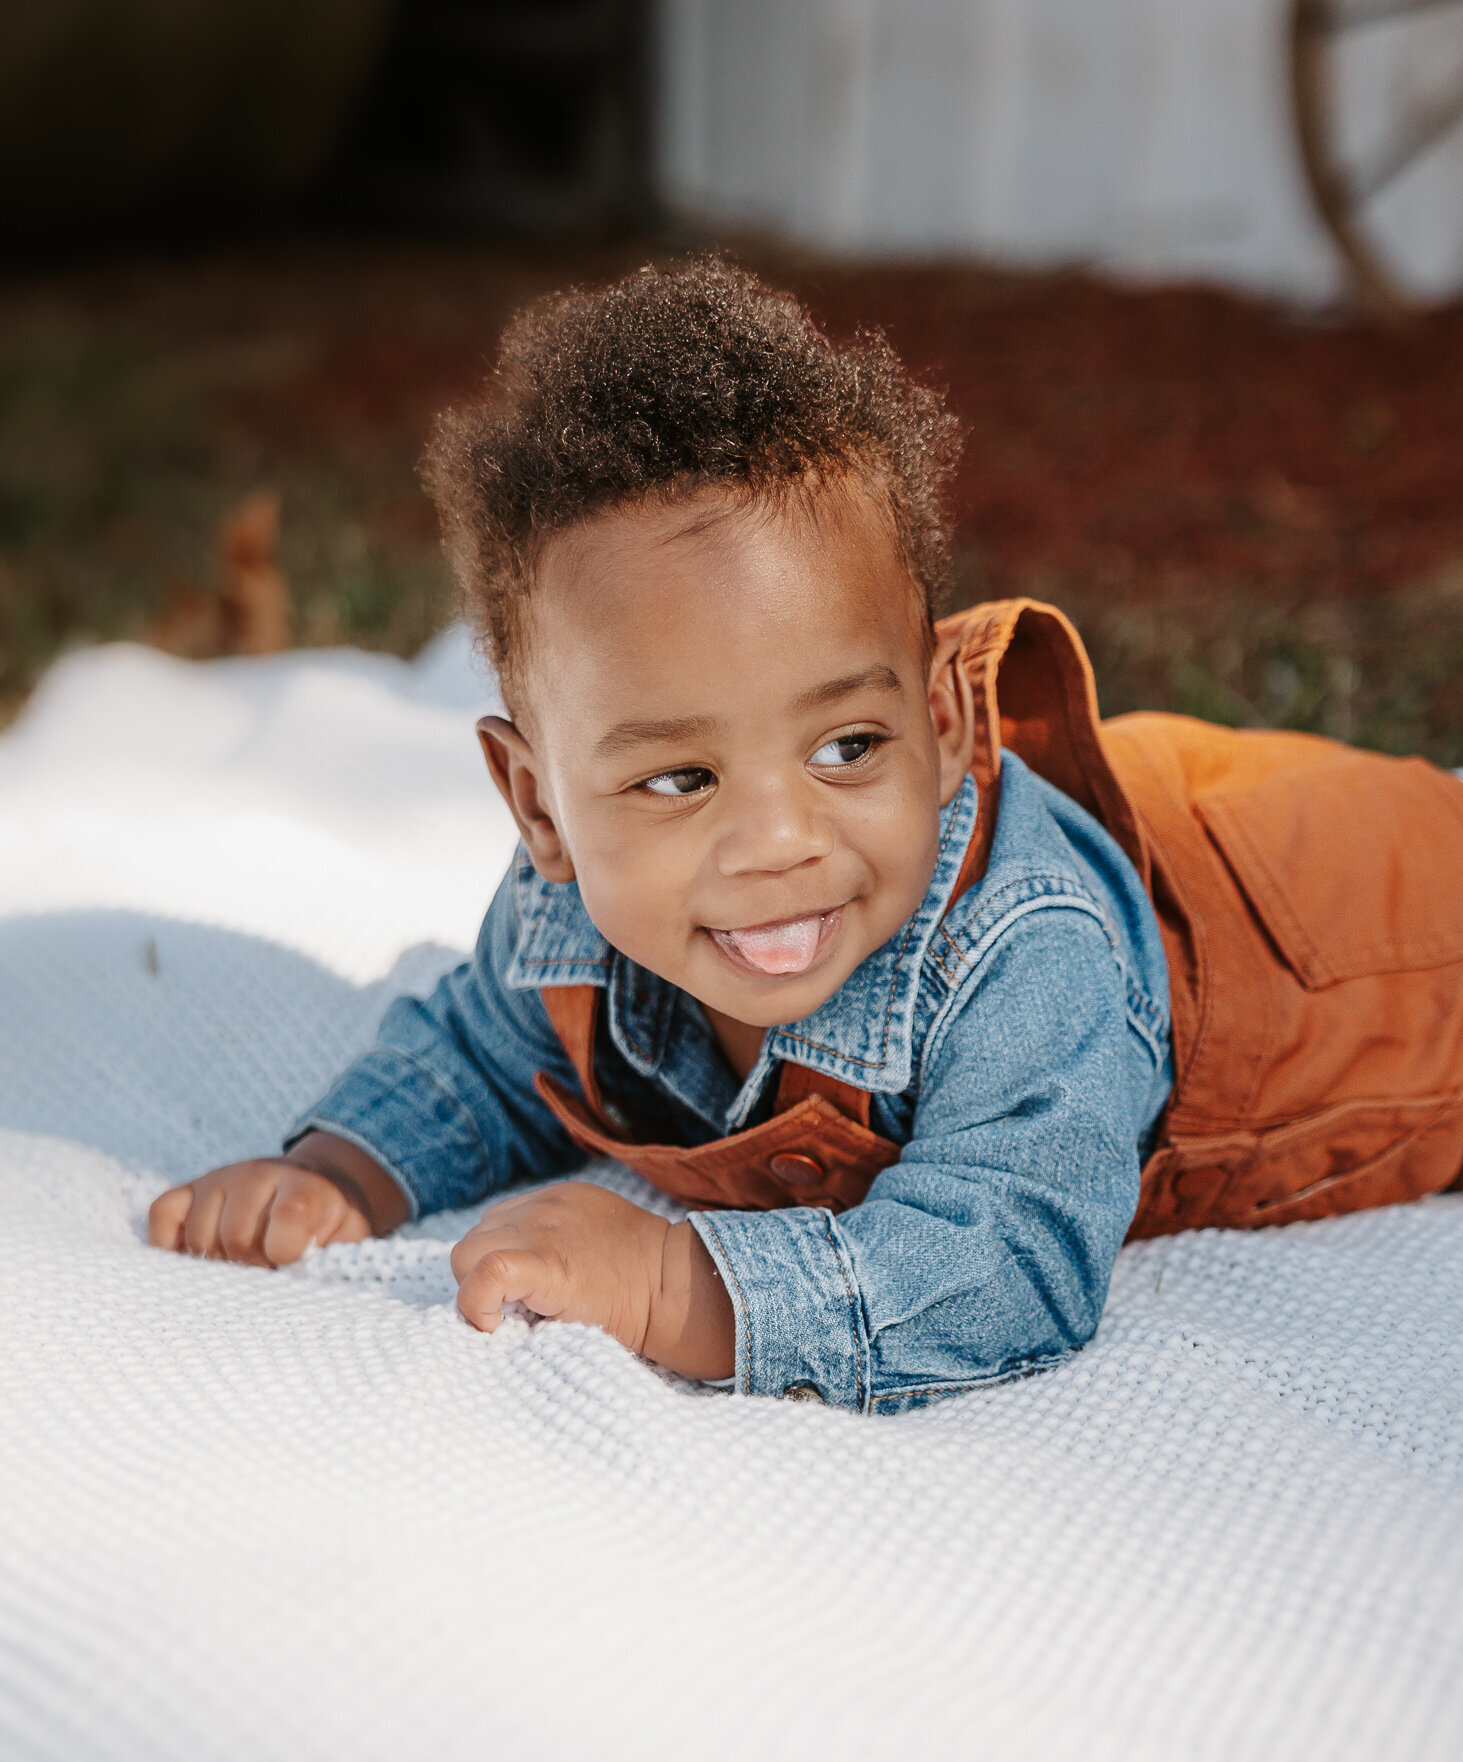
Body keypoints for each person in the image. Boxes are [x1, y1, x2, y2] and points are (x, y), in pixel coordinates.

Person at [148, 257, 1463, 1413]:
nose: (777, 839)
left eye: (847, 748)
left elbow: (1012, 1256)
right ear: (540, 806)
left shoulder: (1019, 948)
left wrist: (679, 1284)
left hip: (1396, 941)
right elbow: (482, 1057)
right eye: (678, 779)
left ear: (945, 721)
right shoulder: (568, 925)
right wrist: (337, 1173)